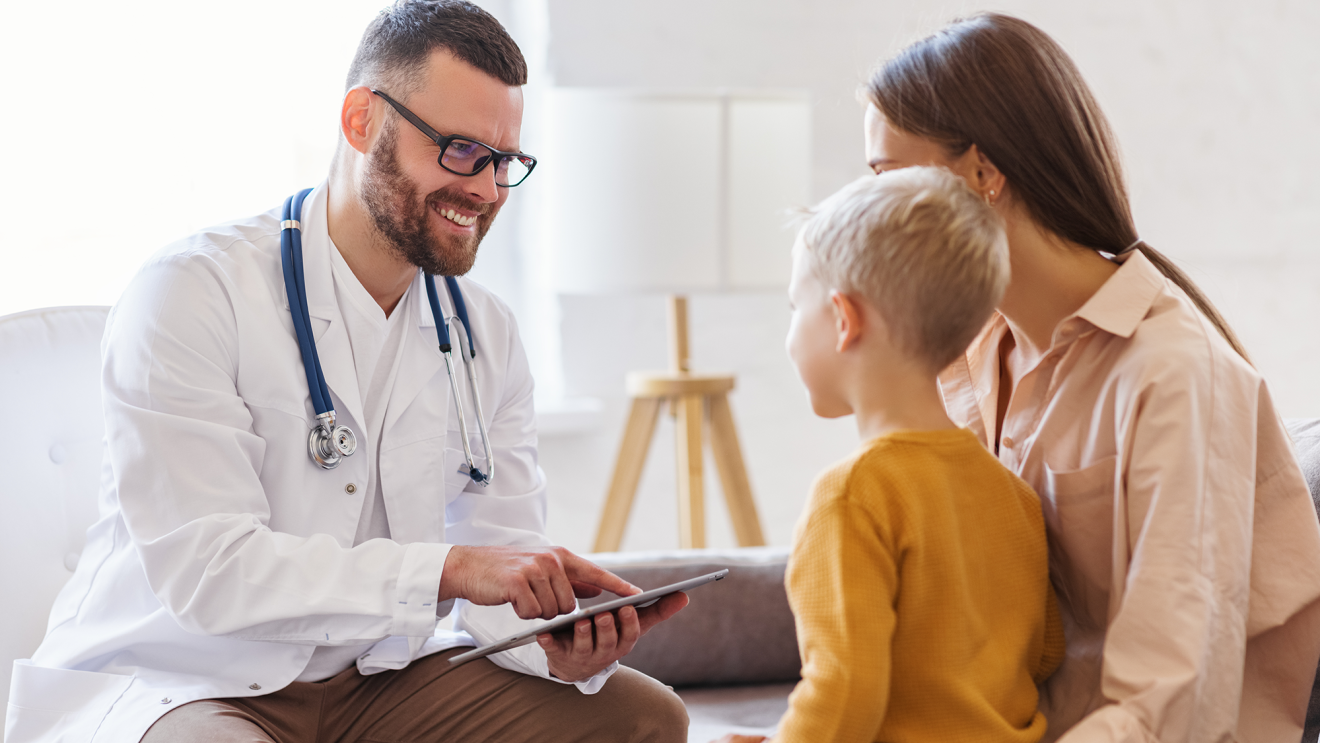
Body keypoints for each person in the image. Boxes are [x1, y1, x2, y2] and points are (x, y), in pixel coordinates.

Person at [5, 2, 689, 742]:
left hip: (375, 685)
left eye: (503, 163)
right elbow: (213, 574)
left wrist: (555, 642)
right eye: (460, 151)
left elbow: (500, 564)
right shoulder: (193, 291)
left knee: (641, 718)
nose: (488, 191)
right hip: (185, 680)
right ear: (362, 120)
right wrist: (449, 569)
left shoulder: (483, 332)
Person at [859, 13, 1320, 743]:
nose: (867, 212)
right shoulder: (961, 356)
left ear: (982, 174)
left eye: (885, 177)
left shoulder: (1174, 375)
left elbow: (1175, 698)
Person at [717, 168, 1066, 743]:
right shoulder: (1013, 493)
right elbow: (1044, 652)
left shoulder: (852, 495)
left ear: (843, 320)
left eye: (794, 308)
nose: (789, 336)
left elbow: (844, 688)